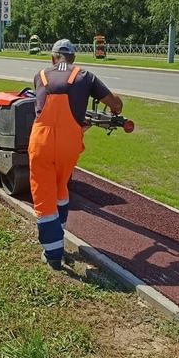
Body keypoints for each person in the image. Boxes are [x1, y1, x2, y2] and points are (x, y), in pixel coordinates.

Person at [28, 39, 123, 270]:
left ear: (52, 58)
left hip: (41, 142)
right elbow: (115, 105)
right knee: (61, 190)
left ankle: (53, 255)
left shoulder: (39, 76)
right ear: (73, 59)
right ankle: (57, 239)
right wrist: (116, 105)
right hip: (69, 145)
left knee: (43, 195)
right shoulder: (86, 76)